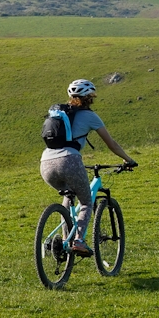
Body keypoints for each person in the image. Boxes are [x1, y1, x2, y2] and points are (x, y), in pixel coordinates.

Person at [39, 79, 137, 256]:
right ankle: (78, 241)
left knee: (68, 197)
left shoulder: (58, 114)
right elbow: (112, 144)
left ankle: (64, 242)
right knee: (86, 202)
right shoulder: (90, 116)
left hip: (45, 163)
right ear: (89, 98)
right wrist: (128, 160)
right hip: (69, 160)